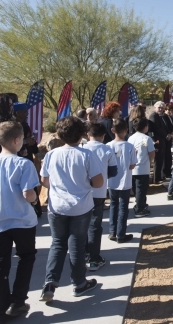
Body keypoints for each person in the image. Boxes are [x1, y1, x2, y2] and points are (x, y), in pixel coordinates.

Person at [0, 122, 40, 323]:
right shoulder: (24, 164)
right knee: (26, 258)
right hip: (21, 220)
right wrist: (34, 200)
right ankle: (18, 300)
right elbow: (28, 194)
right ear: (17, 140)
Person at [39, 117, 104, 302]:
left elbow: (44, 180)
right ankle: (79, 283)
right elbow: (98, 182)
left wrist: (59, 186)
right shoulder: (86, 155)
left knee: (57, 243)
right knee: (76, 244)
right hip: (80, 206)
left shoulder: (51, 155)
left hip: (57, 206)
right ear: (82, 134)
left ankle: (50, 283)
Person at [81, 122, 118, 271]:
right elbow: (113, 171)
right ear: (103, 136)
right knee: (95, 225)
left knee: (81, 224)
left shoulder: (81, 148)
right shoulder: (107, 150)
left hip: (82, 192)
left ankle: (83, 252)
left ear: (88, 135)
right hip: (99, 192)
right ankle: (94, 258)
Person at [107, 119, 137, 243]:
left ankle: (112, 231)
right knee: (123, 207)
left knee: (113, 205)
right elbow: (132, 165)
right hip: (125, 180)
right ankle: (121, 234)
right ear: (126, 130)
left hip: (111, 181)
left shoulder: (108, 146)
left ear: (112, 130)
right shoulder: (129, 146)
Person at [13, 102, 42, 217]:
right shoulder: (14, 127)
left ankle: (35, 209)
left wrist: (32, 144)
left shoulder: (25, 125)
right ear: (17, 113)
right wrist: (25, 142)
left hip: (27, 157)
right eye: (24, 112)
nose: (27, 114)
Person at [128, 118, 156, 218]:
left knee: (137, 188)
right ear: (145, 127)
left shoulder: (130, 138)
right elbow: (151, 152)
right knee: (141, 189)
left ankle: (141, 204)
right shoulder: (146, 138)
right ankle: (139, 209)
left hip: (132, 167)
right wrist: (150, 162)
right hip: (142, 168)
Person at [149, 101, 173, 183]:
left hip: (164, 141)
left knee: (161, 160)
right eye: (159, 107)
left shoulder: (162, 116)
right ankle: (156, 178)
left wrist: (169, 134)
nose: (160, 109)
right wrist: (166, 135)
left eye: (162, 108)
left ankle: (160, 176)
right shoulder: (154, 116)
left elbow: (166, 127)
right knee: (158, 160)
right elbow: (156, 128)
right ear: (155, 107)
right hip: (157, 140)